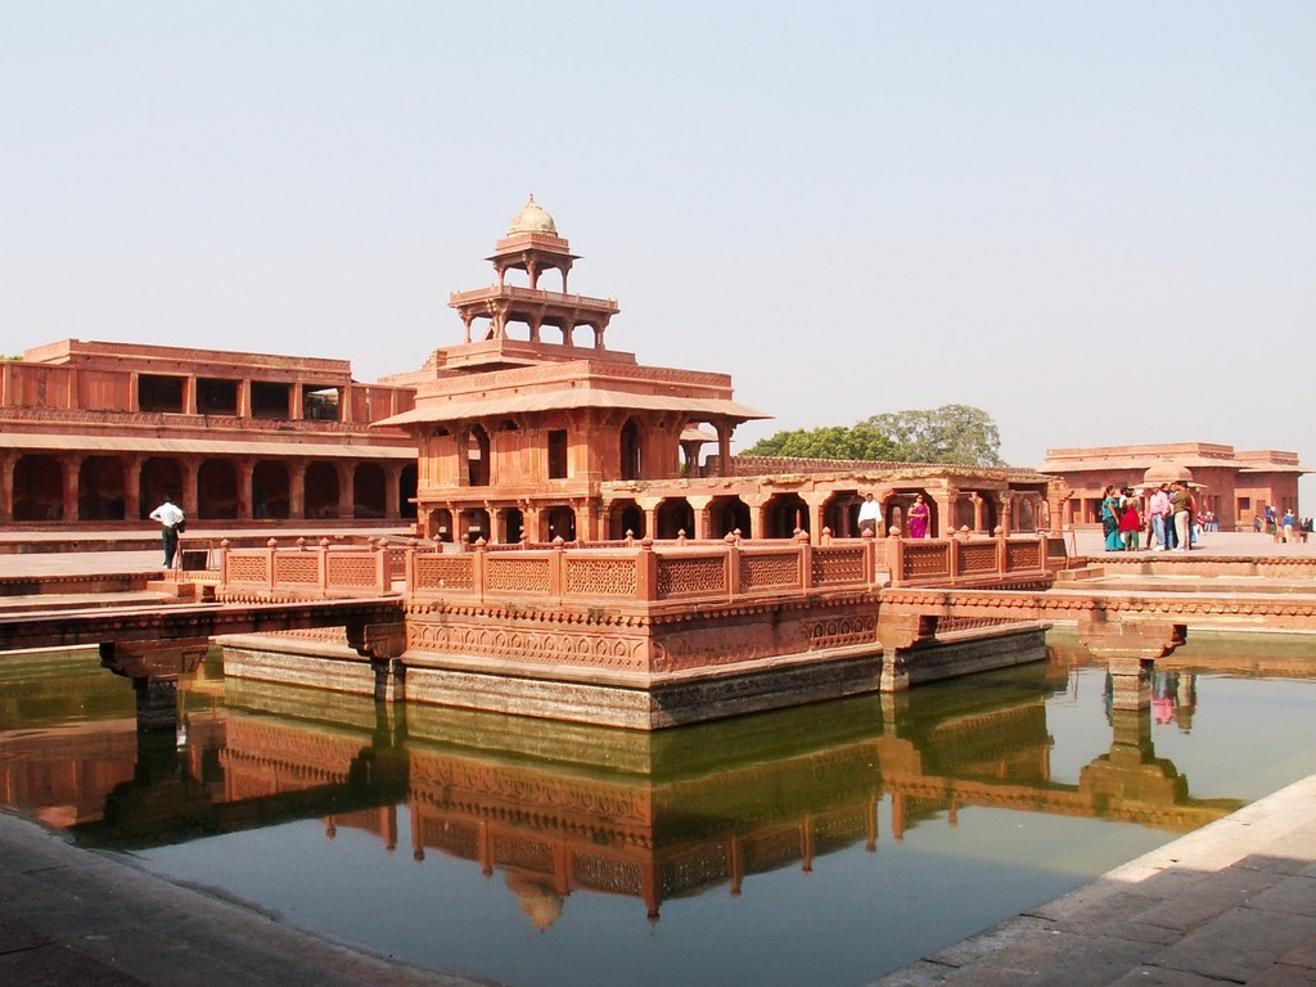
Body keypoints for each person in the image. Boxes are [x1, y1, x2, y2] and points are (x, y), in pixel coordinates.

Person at [148, 494, 185, 568]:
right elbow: (181, 514)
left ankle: (167, 564)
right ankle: (175, 562)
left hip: (164, 528)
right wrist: (177, 521)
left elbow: (151, 515)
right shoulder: (172, 507)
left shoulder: (161, 508)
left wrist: (160, 520)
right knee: (175, 545)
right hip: (171, 527)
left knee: (166, 546)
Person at [1170, 481, 1195, 552]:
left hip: (1179, 511)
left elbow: (1172, 500)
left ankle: (1181, 546)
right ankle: (1186, 546)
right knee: (1186, 530)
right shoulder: (1188, 494)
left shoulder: (1180, 493)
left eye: (1177, 485)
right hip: (1186, 512)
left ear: (1180, 486)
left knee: (1180, 530)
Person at [1148, 483, 1172, 551]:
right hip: (1153, 515)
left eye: (1154, 488)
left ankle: (1162, 544)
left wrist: (1164, 513)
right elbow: (1151, 506)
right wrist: (1149, 516)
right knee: (1156, 530)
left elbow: (1165, 504)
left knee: (1160, 529)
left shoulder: (1162, 495)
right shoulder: (1152, 496)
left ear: (1157, 488)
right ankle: (1158, 543)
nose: (1153, 490)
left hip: (1160, 514)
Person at [1100, 485, 1122, 551]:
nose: (1115, 490)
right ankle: (1110, 546)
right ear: (1110, 491)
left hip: (1107, 518)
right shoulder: (1110, 499)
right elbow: (1111, 509)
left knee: (1115, 531)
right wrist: (1116, 518)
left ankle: (1117, 545)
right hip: (1110, 517)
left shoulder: (1107, 499)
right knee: (1111, 531)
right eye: (1113, 489)